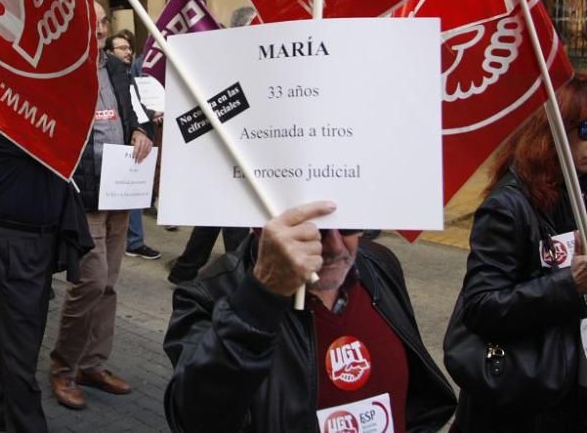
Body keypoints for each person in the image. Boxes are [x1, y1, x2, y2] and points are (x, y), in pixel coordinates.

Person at [164, 202, 457, 431]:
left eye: (349, 225)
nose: (334, 247)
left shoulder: (379, 265)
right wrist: (260, 299)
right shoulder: (209, 296)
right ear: (260, 225)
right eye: (311, 230)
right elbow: (196, 420)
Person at [448, 76, 587, 431]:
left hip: (571, 386)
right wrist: (568, 283)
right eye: (585, 129)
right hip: (523, 395)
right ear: (553, 132)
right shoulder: (509, 206)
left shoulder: (579, 190)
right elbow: (481, 306)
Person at [49, 2, 154, 410]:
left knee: (108, 284)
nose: (96, 29)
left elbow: (135, 111)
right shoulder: (58, 69)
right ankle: (62, 368)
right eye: (88, 23)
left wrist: (142, 130)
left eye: (102, 22)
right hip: (84, 194)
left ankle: (92, 364)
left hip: (121, 190)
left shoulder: (116, 66)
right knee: (89, 282)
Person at [0, 123, 92, 432]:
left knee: (13, 340)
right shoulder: (3, 121)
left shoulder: (25, 117)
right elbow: (63, 141)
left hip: (30, 242)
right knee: (20, 347)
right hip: (14, 242)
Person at [167, 6, 257, 284]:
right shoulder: (222, 60)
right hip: (224, 156)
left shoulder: (250, 59)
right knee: (233, 222)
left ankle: (185, 269)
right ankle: (236, 278)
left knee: (212, 220)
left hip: (244, 152)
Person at [104, 33, 161, 261]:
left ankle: (133, 241)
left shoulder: (131, 77)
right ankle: (132, 241)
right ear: (110, 52)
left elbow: (137, 107)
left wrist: (150, 117)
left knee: (133, 196)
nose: (128, 52)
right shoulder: (110, 78)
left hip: (138, 141)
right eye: (121, 48)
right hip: (117, 147)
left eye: (129, 48)